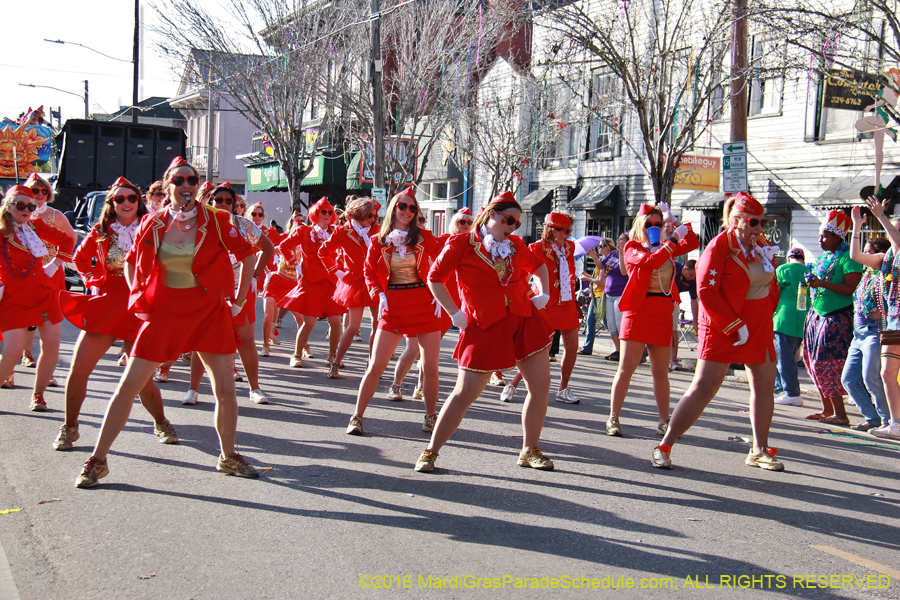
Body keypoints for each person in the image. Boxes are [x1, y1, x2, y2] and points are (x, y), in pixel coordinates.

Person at [73, 157, 260, 488]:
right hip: (164, 312)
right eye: (179, 181)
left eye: (192, 180)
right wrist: (136, 294)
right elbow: (130, 262)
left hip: (209, 311)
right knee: (129, 385)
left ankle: (228, 456)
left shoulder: (215, 220)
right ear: (167, 185)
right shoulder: (154, 223)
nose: (186, 185)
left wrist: (240, 299)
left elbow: (248, 254)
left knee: (225, 388)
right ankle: (98, 460)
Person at [414, 191, 554, 472]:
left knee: (540, 387)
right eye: (509, 220)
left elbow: (538, 266)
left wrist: (543, 292)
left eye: (517, 222)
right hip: (484, 324)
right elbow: (434, 278)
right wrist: (454, 312)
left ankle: (529, 449)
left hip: (522, 319)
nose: (513, 226)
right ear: (492, 215)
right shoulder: (462, 244)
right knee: (464, 393)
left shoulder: (515, 244)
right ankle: (431, 451)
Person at [652, 192, 784, 471]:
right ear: (736, 221)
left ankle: (758, 449)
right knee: (704, 387)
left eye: (763, 222)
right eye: (754, 222)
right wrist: (732, 324)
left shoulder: (760, 243)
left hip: (758, 323)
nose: (760, 228)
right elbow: (706, 291)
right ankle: (665, 444)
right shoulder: (718, 247)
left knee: (764, 386)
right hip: (724, 324)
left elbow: (771, 282)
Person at [55, 177, 177, 450]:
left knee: (141, 379)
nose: (126, 203)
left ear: (139, 202)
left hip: (141, 309)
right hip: (107, 306)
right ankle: (70, 427)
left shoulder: (155, 229)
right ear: (111, 204)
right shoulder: (101, 232)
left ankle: (161, 422)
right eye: (119, 199)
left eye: (131, 198)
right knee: (78, 370)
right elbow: (79, 259)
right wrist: (91, 279)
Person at [345, 186, 445, 436]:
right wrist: (378, 294)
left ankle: (431, 417)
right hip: (393, 306)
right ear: (394, 208)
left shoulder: (426, 238)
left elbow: (446, 262)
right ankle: (357, 416)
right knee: (376, 365)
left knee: (430, 366)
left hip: (424, 305)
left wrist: (440, 295)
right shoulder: (379, 240)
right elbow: (369, 271)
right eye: (403, 206)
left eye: (413, 207)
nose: (408, 211)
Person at [607, 202, 698, 437]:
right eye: (649, 224)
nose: (654, 228)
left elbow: (694, 242)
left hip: (662, 310)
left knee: (661, 371)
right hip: (638, 310)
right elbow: (651, 261)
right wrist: (672, 240)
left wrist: (675, 222)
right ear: (640, 224)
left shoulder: (666, 246)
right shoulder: (632, 246)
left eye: (659, 224)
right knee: (627, 368)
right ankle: (613, 418)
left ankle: (663, 420)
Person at [182, 183, 275, 405]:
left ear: (235, 205)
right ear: (210, 201)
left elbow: (268, 248)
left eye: (228, 201)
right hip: (208, 290)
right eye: (218, 200)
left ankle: (255, 388)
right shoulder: (200, 224)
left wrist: (254, 276)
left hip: (240, 290)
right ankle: (193, 390)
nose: (223, 204)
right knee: (201, 340)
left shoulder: (243, 225)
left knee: (245, 340)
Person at [0, 185, 75, 409]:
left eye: (31, 206)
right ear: (8, 206)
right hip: (14, 297)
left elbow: (68, 240)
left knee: (51, 345)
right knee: (12, 352)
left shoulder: (35, 226)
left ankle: (38, 395)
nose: (26, 210)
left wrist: (55, 265)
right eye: (21, 205)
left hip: (44, 293)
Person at [502, 212, 582, 404]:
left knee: (572, 347)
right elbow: (521, 278)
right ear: (553, 231)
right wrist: (533, 299)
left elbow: (570, 271)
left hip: (567, 302)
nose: (569, 235)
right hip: (545, 305)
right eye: (566, 231)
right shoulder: (536, 248)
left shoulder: (569, 247)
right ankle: (512, 384)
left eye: (570, 231)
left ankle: (563, 388)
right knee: (539, 350)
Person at [14, 174, 77, 387]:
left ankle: (46, 373)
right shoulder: (12, 219)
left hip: (51, 274)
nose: (40, 195)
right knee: (21, 322)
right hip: (22, 276)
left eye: (43, 191)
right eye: (34, 191)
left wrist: (55, 263)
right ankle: (18, 361)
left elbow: (71, 238)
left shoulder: (55, 215)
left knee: (47, 322)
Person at [802, 210, 862, 425]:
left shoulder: (849, 259)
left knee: (827, 364)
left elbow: (851, 288)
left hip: (836, 318)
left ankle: (841, 414)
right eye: (820, 235)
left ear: (839, 237)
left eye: (825, 236)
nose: (821, 240)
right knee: (811, 362)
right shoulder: (825, 258)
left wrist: (822, 283)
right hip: (816, 316)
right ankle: (827, 409)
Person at [849, 198, 900, 440]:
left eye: (896, 227)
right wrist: (857, 226)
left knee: (885, 373)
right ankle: (895, 423)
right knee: (886, 373)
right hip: (893, 322)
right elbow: (856, 255)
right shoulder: (885, 258)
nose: (893, 230)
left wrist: (881, 216)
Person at [277, 197, 347, 368]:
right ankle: (297, 355)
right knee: (309, 322)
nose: (327, 215)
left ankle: (333, 357)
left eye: (330, 212)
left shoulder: (336, 232)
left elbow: (349, 249)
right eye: (323, 211)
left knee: (336, 322)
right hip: (311, 282)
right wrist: (296, 265)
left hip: (331, 282)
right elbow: (283, 247)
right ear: (315, 213)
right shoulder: (304, 232)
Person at [318, 197, 379, 378]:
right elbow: (323, 252)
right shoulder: (343, 231)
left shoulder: (377, 230)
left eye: (374, 216)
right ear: (359, 214)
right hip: (355, 282)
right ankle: (335, 363)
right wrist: (337, 273)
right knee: (353, 326)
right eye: (370, 215)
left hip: (375, 282)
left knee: (378, 324)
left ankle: (373, 364)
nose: (373, 219)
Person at [842, 231, 891, 430]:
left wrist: (857, 226)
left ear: (879, 255)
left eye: (867, 251)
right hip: (858, 333)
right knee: (849, 379)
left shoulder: (883, 275)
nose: (864, 255)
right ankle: (872, 418)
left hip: (874, 332)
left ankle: (888, 420)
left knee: (872, 378)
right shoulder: (865, 275)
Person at [773, 247, 811, 407]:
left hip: (784, 317)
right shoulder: (810, 271)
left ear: (788, 258)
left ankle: (792, 392)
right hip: (802, 317)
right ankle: (779, 387)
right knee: (789, 355)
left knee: (783, 357)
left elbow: (774, 291)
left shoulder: (783, 269)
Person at [577, 240, 614, 356]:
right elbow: (598, 278)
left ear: (608, 247)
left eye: (602, 246)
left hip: (601, 296)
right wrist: (587, 275)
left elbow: (600, 281)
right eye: (599, 246)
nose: (599, 248)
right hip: (595, 295)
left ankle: (620, 345)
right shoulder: (602, 262)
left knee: (606, 322)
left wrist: (586, 279)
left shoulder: (605, 263)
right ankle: (587, 347)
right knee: (590, 321)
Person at [669, 259, 698, 371]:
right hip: (659, 299)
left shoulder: (692, 281)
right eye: (691, 275)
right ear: (685, 269)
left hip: (673, 302)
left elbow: (694, 300)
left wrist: (695, 320)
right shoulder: (673, 266)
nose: (692, 278)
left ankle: (673, 359)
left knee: (673, 330)